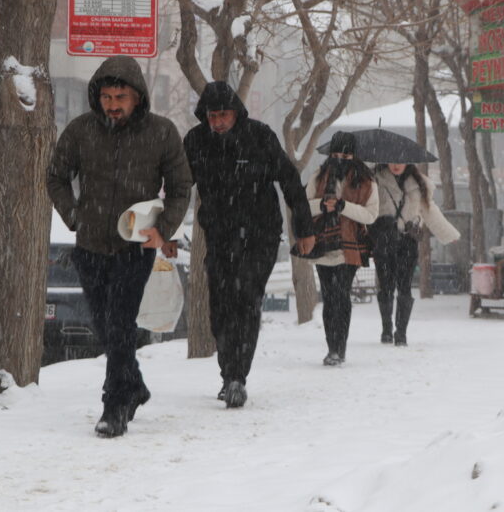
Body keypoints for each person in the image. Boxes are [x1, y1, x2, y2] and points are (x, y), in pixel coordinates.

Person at [46, 55, 192, 438]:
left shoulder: (161, 133)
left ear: (137, 97)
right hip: (90, 245)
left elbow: (181, 188)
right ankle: (135, 385)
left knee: (120, 323)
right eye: (107, 97)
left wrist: (163, 230)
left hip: (135, 247)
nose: (113, 105)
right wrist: (74, 217)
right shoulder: (81, 131)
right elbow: (56, 177)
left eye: (120, 97)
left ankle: (114, 407)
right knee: (105, 325)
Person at [183, 82, 316, 409]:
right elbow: (177, 186)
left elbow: (289, 180)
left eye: (224, 115)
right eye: (212, 116)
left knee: (246, 299)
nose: (218, 122)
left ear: (236, 113)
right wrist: (160, 226)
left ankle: (237, 377)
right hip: (219, 235)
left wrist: (303, 228)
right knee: (220, 306)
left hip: (261, 234)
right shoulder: (196, 142)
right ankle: (228, 372)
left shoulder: (259, 136)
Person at [303, 132, 378, 366]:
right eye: (335, 154)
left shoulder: (366, 182)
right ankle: (332, 348)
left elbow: (371, 215)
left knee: (341, 294)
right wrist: (322, 206)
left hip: (350, 246)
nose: (340, 160)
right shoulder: (319, 176)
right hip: (323, 245)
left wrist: (343, 206)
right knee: (329, 296)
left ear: (354, 156)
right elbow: (303, 206)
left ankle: (340, 347)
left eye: (345, 156)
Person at [371, 163, 460, 346]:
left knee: (405, 287)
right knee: (386, 286)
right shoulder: (375, 180)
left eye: (400, 161)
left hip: (408, 241)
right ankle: (387, 328)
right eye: (392, 161)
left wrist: (448, 233)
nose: (396, 165)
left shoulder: (419, 184)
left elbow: (430, 210)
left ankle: (401, 333)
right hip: (384, 240)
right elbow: (368, 208)